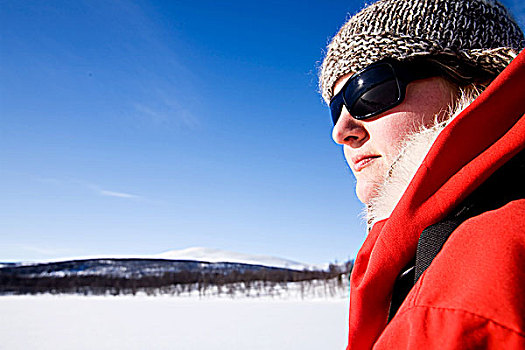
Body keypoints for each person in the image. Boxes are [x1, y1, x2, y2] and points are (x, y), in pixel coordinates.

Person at [319, 0, 525, 348]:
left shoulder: (492, 263)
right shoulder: (427, 253)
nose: (341, 131)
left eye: (369, 92)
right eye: (335, 109)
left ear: (478, 82)